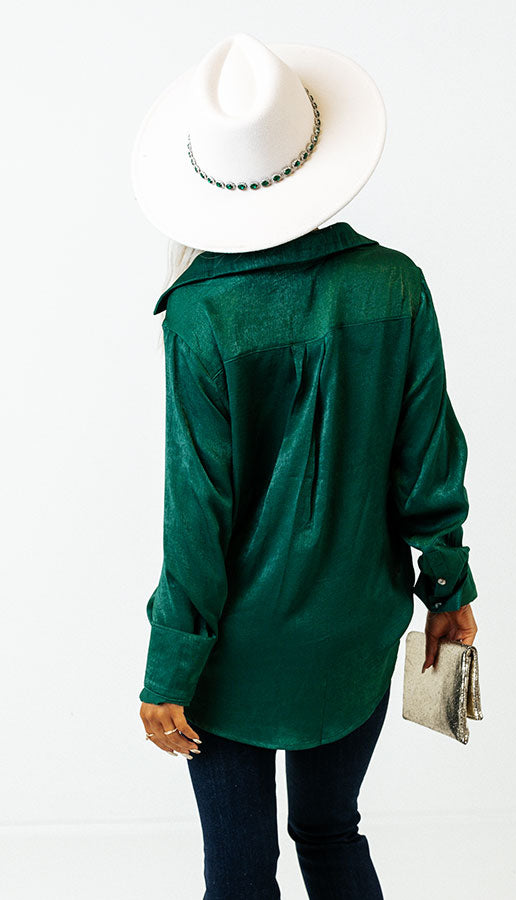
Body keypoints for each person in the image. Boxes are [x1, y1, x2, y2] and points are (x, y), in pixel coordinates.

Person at [131, 32, 478, 900]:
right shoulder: (395, 284)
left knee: (240, 870)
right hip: (352, 631)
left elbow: (197, 512)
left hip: (233, 650)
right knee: (331, 831)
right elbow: (427, 462)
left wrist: (170, 665)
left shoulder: (200, 315)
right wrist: (449, 589)